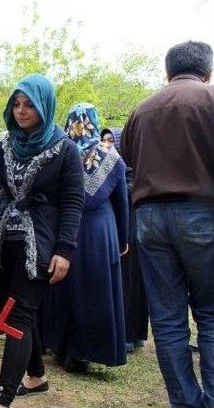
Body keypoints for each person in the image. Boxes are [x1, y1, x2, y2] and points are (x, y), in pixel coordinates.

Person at [0, 74, 84, 408]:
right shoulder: (5, 143)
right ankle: (35, 377)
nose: (21, 112)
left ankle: (0, 399)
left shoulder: (66, 150)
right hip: (3, 242)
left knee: (18, 318)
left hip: (41, 243)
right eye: (16, 105)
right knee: (18, 315)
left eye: (29, 105)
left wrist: (64, 250)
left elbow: (72, 204)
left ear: (45, 106)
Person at [121, 40, 214, 407]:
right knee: (209, 313)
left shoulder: (142, 109)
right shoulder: (209, 101)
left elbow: (127, 157)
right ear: (207, 71)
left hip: (150, 219)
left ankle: (185, 401)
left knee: (168, 318)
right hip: (203, 213)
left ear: (167, 71)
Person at [40, 103, 129, 372]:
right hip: (100, 229)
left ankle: (60, 345)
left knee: (63, 287)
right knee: (95, 287)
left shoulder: (58, 151)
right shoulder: (110, 154)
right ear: (93, 120)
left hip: (65, 227)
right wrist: (123, 237)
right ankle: (85, 352)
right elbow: (121, 200)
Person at [101, 127, 149, 352]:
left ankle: (133, 334)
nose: (107, 144)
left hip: (133, 232)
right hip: (117, 232)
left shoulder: (134, 171)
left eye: (111, 140)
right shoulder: (102, 171)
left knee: (132, 284)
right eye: (104, 141)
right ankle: (122, 332)